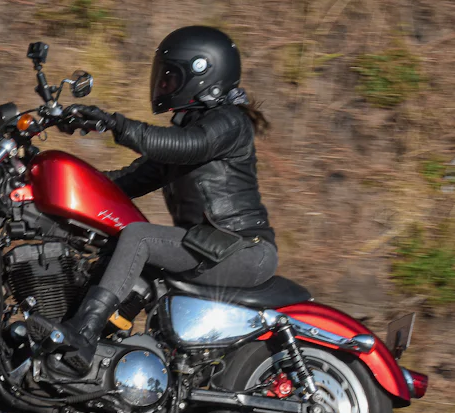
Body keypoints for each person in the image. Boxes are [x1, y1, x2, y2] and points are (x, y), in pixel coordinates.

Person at [27, 25, 279, 374]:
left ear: (204, 74)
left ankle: (83, 335)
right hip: (209, 246)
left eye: (172, 78)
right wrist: (47, 181)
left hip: (242, 249)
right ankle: (104, 348)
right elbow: (125, 182)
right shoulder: (188, 132)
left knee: (139, 235)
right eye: (164, 78)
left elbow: (191, 146)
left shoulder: (229, 123)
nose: (164, 86)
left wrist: (115, 125)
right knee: (113, 241)